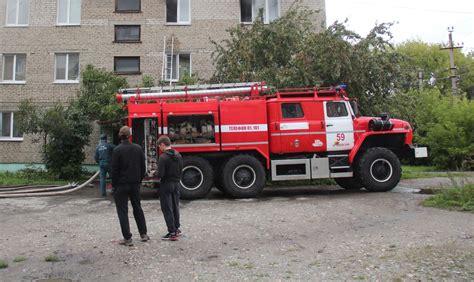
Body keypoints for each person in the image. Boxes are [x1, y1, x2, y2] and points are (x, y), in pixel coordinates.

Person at [111, 126, 149, 246]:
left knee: (122, 211)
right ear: (130, 135)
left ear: (120, 136)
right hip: (135, 184)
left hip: (121, 185)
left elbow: (114, 171)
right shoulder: (138, 149)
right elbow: (143, 167)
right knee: (137, 207)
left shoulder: (117, 150)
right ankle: (143, 234)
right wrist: (139, 180)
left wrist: (114, 185)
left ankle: (127, 238)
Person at [157, 135, 183, 241]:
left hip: (166, 184)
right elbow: (181, 169)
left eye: (159, 146)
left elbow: (161, 174)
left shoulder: (163, 158)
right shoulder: (178, 155)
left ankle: (171, 232)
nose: (159, 148)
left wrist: (155, 172)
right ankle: (176, 228)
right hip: (176, 183)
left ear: (163, 144)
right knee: (175, 206)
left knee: (167, 208)